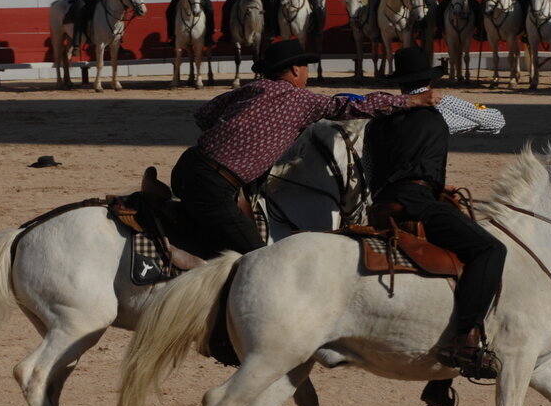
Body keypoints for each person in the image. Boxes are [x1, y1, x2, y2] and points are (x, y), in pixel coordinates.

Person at [171, 38, 441, 258]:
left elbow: (204, 115)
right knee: (254, 260)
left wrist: (234, 139)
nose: (307, 75)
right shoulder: (302, 100)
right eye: (306, 68)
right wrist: (411, 101)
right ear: (295, 70)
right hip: (213, 185)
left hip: (187, 166)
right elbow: (353, 106)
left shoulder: (251, 89)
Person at [366, 46, 506, 406]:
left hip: (381, 207)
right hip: (419, 202)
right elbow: (495, 121)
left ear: (399, 84)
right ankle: (467, 339)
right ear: (429, 81)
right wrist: (458, 105)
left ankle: (439, 377)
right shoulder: (441, 107)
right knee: (490, 249)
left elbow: (369, 170)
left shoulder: (377, 116)